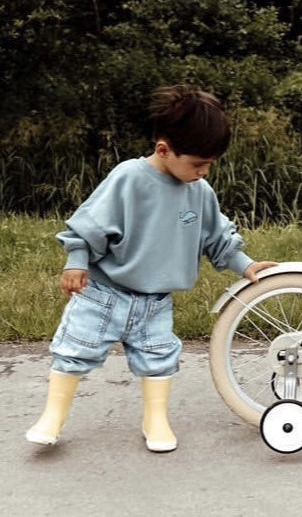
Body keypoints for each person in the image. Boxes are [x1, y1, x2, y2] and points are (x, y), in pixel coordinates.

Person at [26, 85, 276, 452]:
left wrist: (245, 265)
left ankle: (155, 419)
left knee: (159, 360)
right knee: (75, 350)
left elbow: (216, 235)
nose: (203, 172)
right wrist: (76, 262)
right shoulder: (129, 178)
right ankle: (52, 417)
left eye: (209, 165)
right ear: (164, 149)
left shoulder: (199, 191)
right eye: (197, 164)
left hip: (155, 302)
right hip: (103, 293)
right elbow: (91, 224)